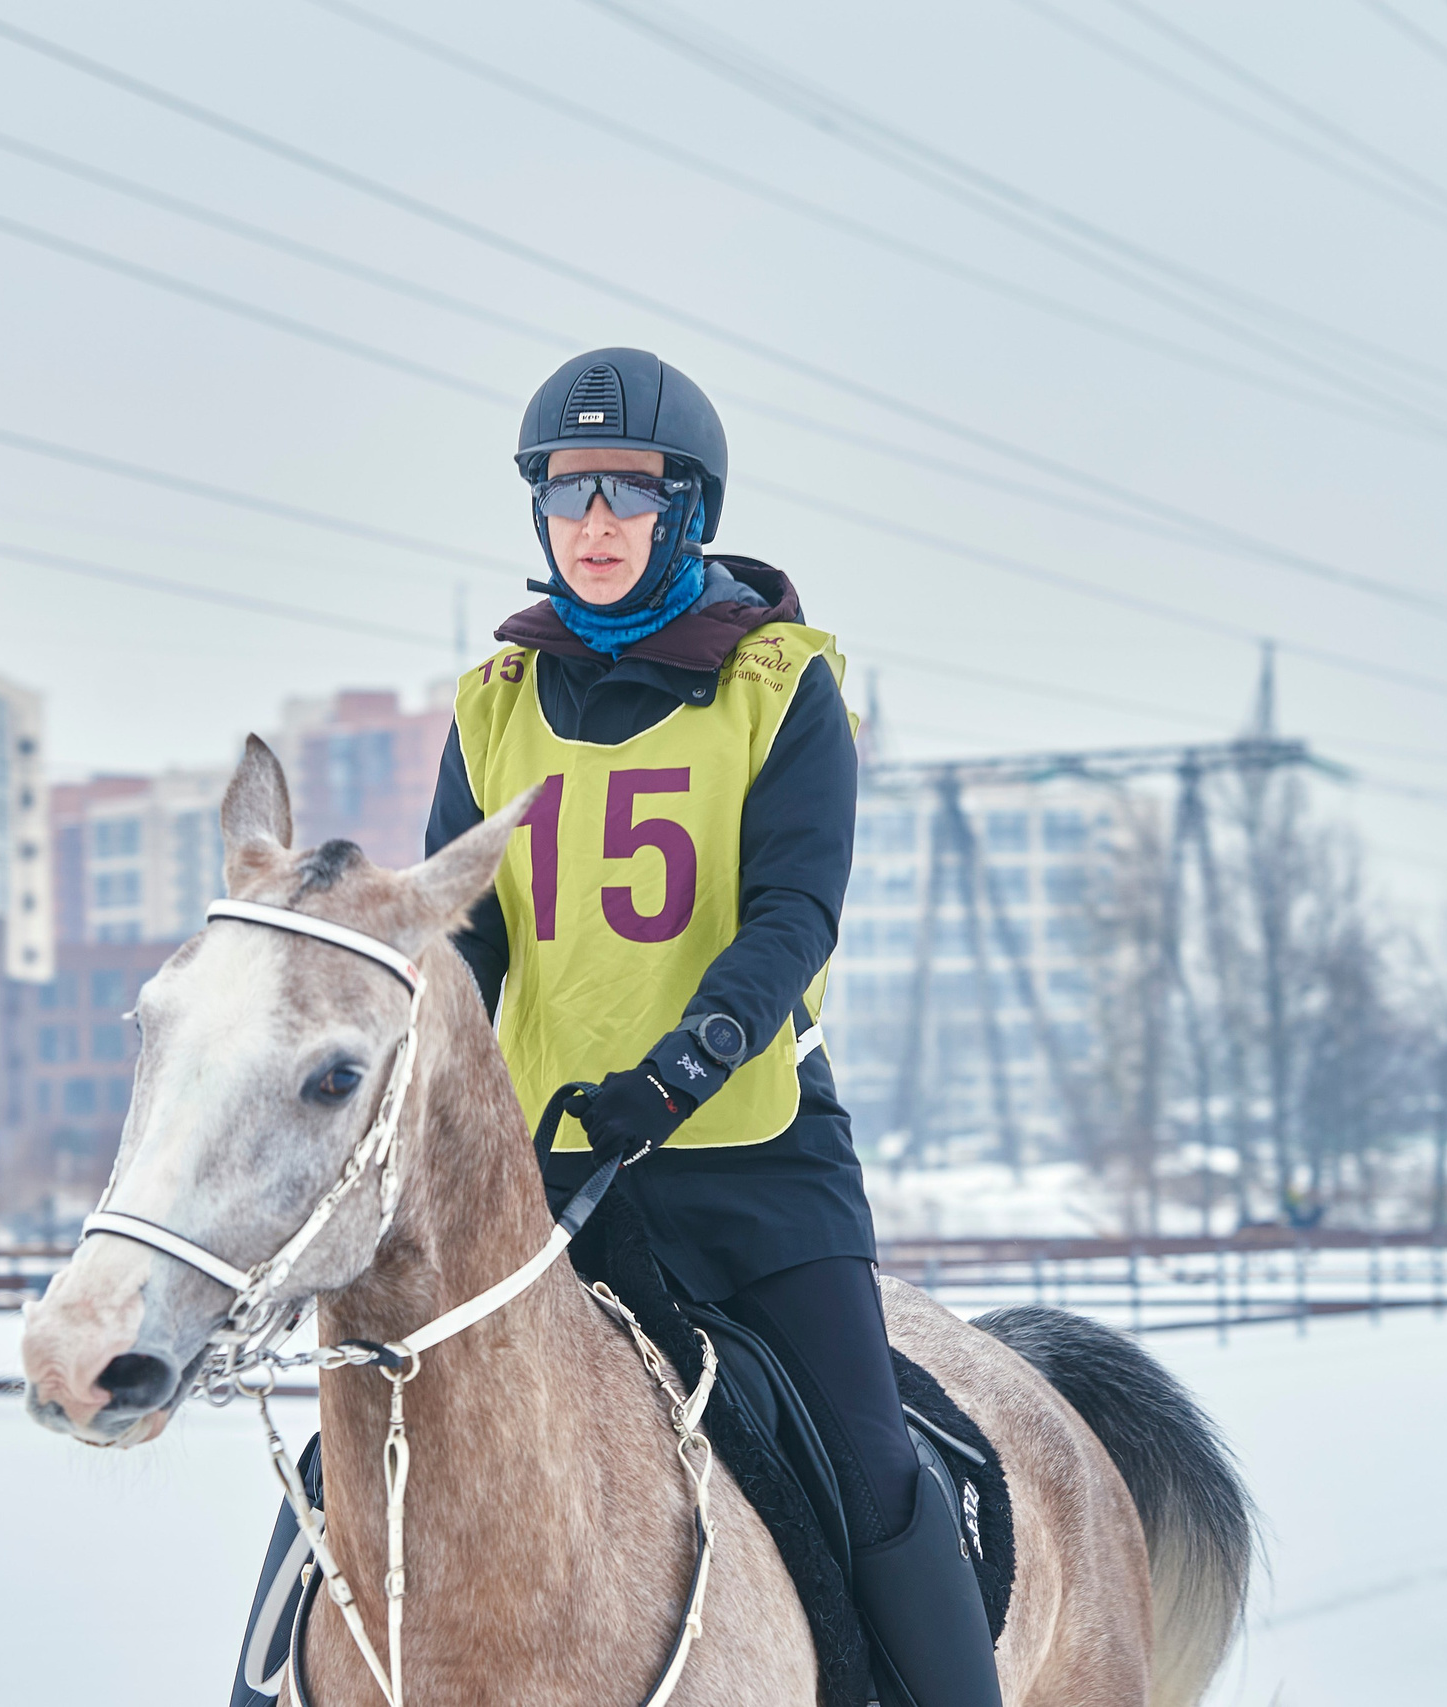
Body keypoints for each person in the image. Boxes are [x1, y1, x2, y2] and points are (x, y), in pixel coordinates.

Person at [227, 349, 998, 1707]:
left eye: (627, 494)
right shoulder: (497, 698)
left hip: (750, 1161)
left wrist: (689, 1061)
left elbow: (794, 914)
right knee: (353, 1455)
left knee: (871, 1465)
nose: (592, 521)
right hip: (540, 1178)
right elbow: (469, 936)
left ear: (684, 511)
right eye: (566, 491)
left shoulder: (781, 684)